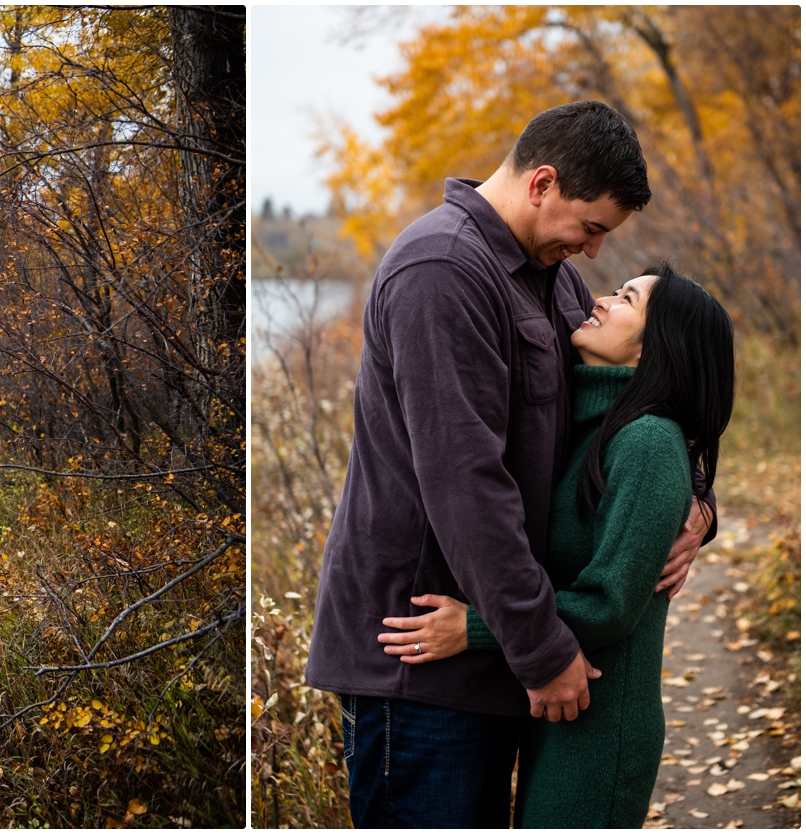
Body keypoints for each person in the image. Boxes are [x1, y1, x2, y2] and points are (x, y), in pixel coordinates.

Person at [303, 101, 715, 827]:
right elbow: (467, 482)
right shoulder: (442, 271)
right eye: (591, 228)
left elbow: (642, 400)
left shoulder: (546, 276)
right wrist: (543, 648)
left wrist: (698, 505)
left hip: (492, 657)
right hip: (418, 660)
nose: (594, 254)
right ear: (542, 184)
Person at [376, 265, 736, 826]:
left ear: (655, 347)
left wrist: (470, 627)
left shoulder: (646, 442)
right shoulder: (596, 420)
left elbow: (608, 605)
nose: (600, 299)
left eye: (626, 299)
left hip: (599, 728)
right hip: (557, 711)